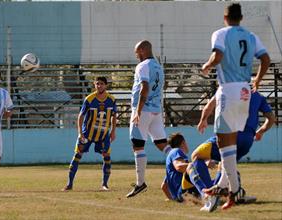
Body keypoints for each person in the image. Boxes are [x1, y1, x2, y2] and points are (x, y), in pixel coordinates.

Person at [200, 3, 270, 209]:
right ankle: (222, 185)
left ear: (225, 17)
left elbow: (218, 56)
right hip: (245, 90)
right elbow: (265, 59)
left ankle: (234, 188)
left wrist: (207, 65)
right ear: (241, 18)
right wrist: (257, 79)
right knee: (230, 141)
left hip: (228, 89)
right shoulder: (251, 35)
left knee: (223, 142)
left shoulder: (220, 34)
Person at [195, 91, 275, 207]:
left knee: (197, 156)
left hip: (231, 134)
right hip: (247, 140)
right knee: (227, 165)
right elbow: (271, 118)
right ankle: (232, 194)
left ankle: (212, 193)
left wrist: (203, 120)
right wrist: (261, 132)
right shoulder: (258, 96)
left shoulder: (227, 87)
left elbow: (209, 106)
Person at [126, 40, 172, 198]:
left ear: (143, 50)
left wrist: (138, 111)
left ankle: (140, 183)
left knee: (138, 146)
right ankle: (185, 166)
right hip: (156, 111)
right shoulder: (158, 66)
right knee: (162, 145)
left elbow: (144, 87)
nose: (136, 55)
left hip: (143, 110)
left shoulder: (143, 66)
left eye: (137, 52)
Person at [63, 76, 117, 191]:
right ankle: (69, 184)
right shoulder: (89, 99)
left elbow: (114, 115)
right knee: (77, 155)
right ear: (94, 85)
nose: (99, 86)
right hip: (87, 134)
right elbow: (81, 116)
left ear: (106, 85)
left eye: (102, 84)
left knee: (107, 157)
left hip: (103, 135)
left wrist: (113, 131)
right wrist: (80, 133)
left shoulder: (111, 100)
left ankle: (105, 184)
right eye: (97, 84)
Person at [161, 133, 219, 212]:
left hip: (182, 195)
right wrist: (195, 164)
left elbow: (163, 186)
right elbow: (179, 166)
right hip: (184, 191)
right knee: (197, 163)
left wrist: (174, 199)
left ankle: (218, 194)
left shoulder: (171, 160)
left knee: (218, 184)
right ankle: (206, 194)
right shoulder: (176, 151)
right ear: (183, 143)